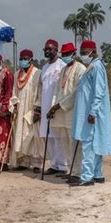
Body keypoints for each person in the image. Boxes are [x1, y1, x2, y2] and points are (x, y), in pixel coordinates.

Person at [70, 40, 111, 186]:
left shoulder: (96, 67)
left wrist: (93, 112)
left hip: (91, 113)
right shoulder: (91, 67)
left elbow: (99, 92)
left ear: (92, 52)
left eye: (84, 53)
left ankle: (87, 177)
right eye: (81, 53)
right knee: (94, 143)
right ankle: (97, 174)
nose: (82, 55)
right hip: (89, 112)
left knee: (88, 144)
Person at [47, 43, 86, 182]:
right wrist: (53, 107)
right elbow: (57, 91)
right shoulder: (63, 70)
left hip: (73, 111)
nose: (64, 56)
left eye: (67, 54)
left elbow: (76, 92)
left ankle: (77, 172)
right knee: (64, 141)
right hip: (60, 113)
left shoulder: (80, 69)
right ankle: (70, 170)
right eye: (63, 54)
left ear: (74, 54)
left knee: (74, 142)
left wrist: (59, 105)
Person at [35, 39, 67, 175]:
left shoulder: (62, 66)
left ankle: (63, 166)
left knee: (58, 137)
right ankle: (54, 164)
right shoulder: (44, 67)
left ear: (56, 50)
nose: (47, 51)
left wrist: (57, 106)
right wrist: (39, 107)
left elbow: (63, 89)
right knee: (49, 137)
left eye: (50, 49)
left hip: (57, 107)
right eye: (45, 49)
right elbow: (41, 89)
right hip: (45, 107)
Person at [9, 49, 44, 173]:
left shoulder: (37, 73)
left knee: (32, 136)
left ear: (31, 59)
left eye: (25, 58)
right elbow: (13, 92)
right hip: (20, 110)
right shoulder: (17, 74)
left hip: (32, 109)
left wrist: (38, 109)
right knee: (20, 135)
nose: (23, 61)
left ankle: (36, 163)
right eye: (21, 58)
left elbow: (40, 93)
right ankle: (23, 161)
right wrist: (15, 104)